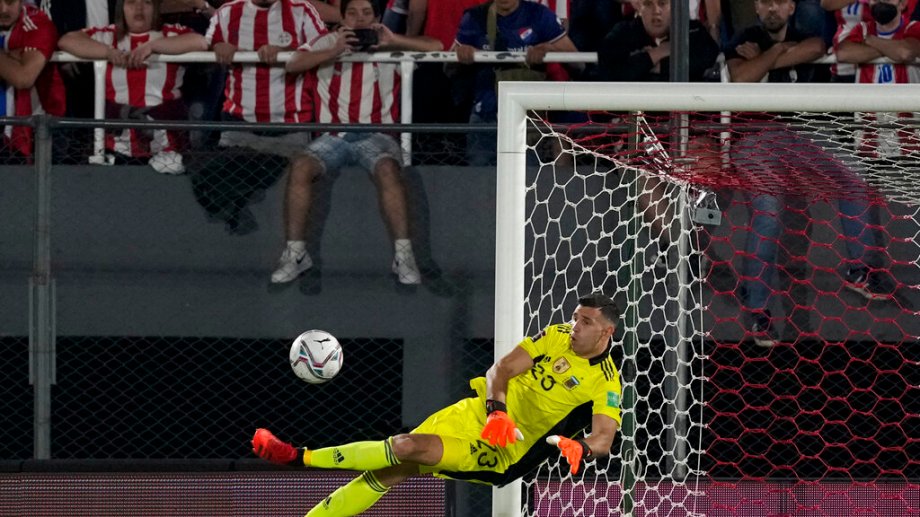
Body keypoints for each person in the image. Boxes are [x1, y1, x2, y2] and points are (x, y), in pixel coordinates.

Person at [252, 292, 623, 517]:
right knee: (392, 469)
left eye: (585, 322)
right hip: (479, 415)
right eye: (575, 317)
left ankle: (298, 457)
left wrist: (582, 448)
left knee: (404, 448)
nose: (575, 326)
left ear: (606, 332)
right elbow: (503, 369)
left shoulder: (605, 382)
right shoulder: (557, 334)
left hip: (505, 450)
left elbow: (603, 438)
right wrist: (496, 411)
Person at [727, 0, 893, 347]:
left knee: (853, 172)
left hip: (805, 131)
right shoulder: (744, 37)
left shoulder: (806, 34)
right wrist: (781, 52)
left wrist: (764, 59)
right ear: (756, 7)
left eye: (779, 2)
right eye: (765, 2)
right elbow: (741, 76)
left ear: (791, 7)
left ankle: (859, 269)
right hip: (755, 135)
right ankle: (757, 307)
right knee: (768, 211)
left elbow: (817, 47)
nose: (772, 9)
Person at [271, 0, 441, 286]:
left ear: (377, 17)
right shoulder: (327, 41)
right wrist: (334, 51)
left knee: (388, 169)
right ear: (342, 18)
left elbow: (437, 45)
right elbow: (293, 64)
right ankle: (296, 254)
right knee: (301, 165)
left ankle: (404, 256)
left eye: (366, 13)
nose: (359, 20)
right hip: (332, 136)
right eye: (352, 13)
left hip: (377, 135)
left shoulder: (388, 44)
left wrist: (395, 39)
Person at [201, 0, 327, 232]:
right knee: (207, 179)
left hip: (290, 127)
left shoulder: (301, 10)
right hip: (239, 126)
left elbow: (325, 46)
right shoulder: (228, 12)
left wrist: (290, 53)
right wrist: (217, 46)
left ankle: (293, 246)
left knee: (289, 189)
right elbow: (204, 44)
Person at [59, 0, 208, 174]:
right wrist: (109, 52)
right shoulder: (108, 36)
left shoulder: (170, 33)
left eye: (146, 2)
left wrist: (152, 46)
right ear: (121, 8)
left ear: (155, 8)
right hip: (116, 144)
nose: (139, 7)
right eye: (131, 2)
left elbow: (201, 42)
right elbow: (67, 40)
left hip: (166, 144)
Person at [452, 0, 578, 166]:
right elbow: (448, 68)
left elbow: (578, 63)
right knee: (479, 178)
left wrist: (550, 49)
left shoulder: (539, 15)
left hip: (528, 120)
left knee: (527, 177)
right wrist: (461, 54)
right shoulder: (475, 17)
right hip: (485, 116)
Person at [0, 0, 65, 160]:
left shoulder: (38, 23)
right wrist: (10, 57)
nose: (3, 10)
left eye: (10, 1)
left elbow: (24, 78)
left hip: (32, 132)